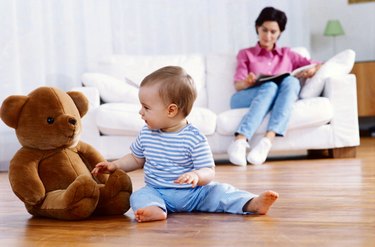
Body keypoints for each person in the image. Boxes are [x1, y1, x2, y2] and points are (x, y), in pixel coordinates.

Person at [92, 66, 279, 223]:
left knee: (221, 191)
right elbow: (135, 158)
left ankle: (252, 203)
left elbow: (208, 170)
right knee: (138, 195)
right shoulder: (146, 133)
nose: (140, 112)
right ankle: (154, 209)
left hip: (196, 194)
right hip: (158, 192)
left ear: (171, 110)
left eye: (146, 107)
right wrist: (115, 165)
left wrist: (196, 175)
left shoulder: (194, 138)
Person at [227, 6, 321, 166]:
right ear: (257, 27)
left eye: (273, 32)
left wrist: (313, 69)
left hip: (276, 97)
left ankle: (266, 141)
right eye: (264, 30)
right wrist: (248, 81)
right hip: (245, 97)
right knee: (270, 86)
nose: (268, 36)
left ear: (280, 33)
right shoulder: (245, 53)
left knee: (291, 81)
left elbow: (320, 64)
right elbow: (238, 86)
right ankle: (240, 140)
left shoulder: (288, 54)